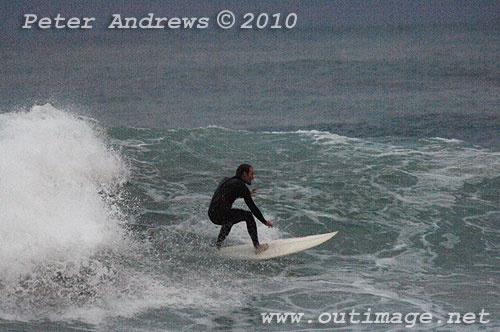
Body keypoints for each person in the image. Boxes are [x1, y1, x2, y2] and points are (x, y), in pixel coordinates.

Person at [208, 164, 273, 254]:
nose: (253, 177)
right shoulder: (241, 186)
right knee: (248, 215)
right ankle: (257, 246)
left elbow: (226, 194)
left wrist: (246, 194)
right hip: (220, 214)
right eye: (251, 174)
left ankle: (218, 246)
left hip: (212, 213)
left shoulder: (226, 180)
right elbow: (252, 207)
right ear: (244, 174)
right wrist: (264, 221)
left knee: (229, 219)